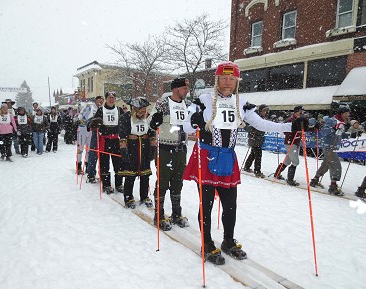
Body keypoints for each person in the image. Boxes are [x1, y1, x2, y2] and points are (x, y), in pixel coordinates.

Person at [182, 61, 293, 265]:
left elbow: (260, 123)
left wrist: (290, 126)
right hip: (206, 156)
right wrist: (195, 120)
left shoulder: (241, 102)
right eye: (224, 78)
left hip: (227, 157)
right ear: (217, 80)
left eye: (232, 79)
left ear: (237, 82)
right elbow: (186, 127)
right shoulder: (203, 100)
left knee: (230, 204)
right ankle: (206, 243)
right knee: (206, 204)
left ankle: (227, 241)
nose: (227, 83)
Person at [149, 77, 191, 231]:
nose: (187, 91)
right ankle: (158, 215)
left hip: (181, 148)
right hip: (165, 149)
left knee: (177, 183)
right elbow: (150, 121)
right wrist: (155, 121)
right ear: (175, 89)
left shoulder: (188, 104)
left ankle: (176, 213)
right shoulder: (163, 103)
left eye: (187, 88)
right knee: (163, 183)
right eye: (184, 88)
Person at [118, 97, 156, 209]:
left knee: (145, 174)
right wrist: (124, 150)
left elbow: (152, 133)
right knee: (130, 174)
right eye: (139, 110)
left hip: (144, 147)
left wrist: (153, 148)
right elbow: (122, 134)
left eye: (143, 110)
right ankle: (128, 197)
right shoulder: (125, 117)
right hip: (132, 148)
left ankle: (144, 196)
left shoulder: (148, 117)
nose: (141, 113)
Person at [309, 106, 351, 196]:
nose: (347, 115)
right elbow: (323, 132)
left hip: (333, 146)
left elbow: (340, 134)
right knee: (336, 165)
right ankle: (333, 186)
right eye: (346, 113)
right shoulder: (331, 120)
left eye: (348, 113)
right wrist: (334, 128)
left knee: (326, 164)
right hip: (328, 146)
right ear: (341, 113)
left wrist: (351, 134)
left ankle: (315, 180)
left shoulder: (342, 122)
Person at [88, 91, 124, 194]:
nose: (111, 99)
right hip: (105, 139)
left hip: (116, 140)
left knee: (118, 163)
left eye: (113, 97)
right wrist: (94, 125)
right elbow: (93, 123)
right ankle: (106, 184)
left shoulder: (119, 110)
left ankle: (119, 184)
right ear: (106, 99)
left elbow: (125, 122)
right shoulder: (100, 110)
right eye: (109, 97)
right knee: (104, 163)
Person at [273, 105, 304, 186]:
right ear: (296, 111)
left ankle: (277, 173)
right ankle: (290, 180)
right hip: (290, 142)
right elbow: (285, 131)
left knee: (287, 161)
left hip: (295, 142)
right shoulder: (290, 120)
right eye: (301, 111)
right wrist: (295, 132)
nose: (302, 113)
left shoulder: (300, 120)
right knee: (295, 162)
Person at [77, 96, 103, 174]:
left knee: (89, 149)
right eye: (99, 100)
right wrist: (83, 122)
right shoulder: (90, 106)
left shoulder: (101, 109)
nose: (100, 102)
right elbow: (81, 115)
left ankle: (88, 165)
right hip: (83, 129)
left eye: (102, 101)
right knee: (80, 148)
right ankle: (78, 165)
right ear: (96, 100)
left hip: (92, 131)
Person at [243, 104, 269, 178]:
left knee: (253, 154)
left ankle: (247, 166)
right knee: (258, 155)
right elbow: (247, 127)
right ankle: (257, 171)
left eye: (267, 111)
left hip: (259, 139)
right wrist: (252, 129)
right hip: (254, 139)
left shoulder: (264, 119)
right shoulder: (256, 118)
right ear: (261, 111)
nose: (266, 112)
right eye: (264, 111)